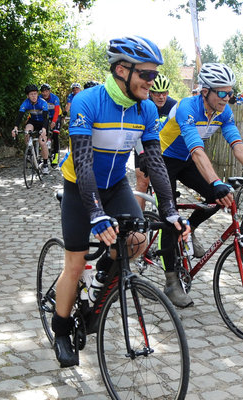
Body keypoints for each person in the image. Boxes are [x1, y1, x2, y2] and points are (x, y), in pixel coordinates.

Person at [52, 36, 187, 368]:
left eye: (154, 75)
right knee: (73, 264)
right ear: (121, 70)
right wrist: (96, 214)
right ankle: (59, 330)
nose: (151, 82)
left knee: (138, 240)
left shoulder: (146, 109)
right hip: (79, 188)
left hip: (114, 185)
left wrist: (169, 209)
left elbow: (154, 162)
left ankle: (100, 278)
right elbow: (82, 164)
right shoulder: (87, 101)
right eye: (146, 74)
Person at [158, 62, 243, 307]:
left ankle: (188, 230)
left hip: (186, 159)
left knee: (221, 199)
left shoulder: (223, 112)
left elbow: (238, 147)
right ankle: (171, 282)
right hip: (162, 159)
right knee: (169, 219)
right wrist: (215, 181)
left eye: (230, 93)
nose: (227, 98)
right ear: (205, 91)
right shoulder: (187, 108)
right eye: (222, 93)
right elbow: (197, 150)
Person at [135, 73, 177, 209]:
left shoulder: (172, 106)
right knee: (142, 181)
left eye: (164, 93)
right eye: (157, 93)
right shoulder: (142, 104)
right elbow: (136, 133)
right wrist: (141, 154)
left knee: (165, 183)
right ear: (150, 92)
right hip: (142, 144)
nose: (161, 97)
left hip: (164, 148)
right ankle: (138, 219)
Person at [11, 84, 50, 174]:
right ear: (27, 96)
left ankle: (45, 164)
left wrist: (44, 129)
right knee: (27, 131)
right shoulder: (25, 103)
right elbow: (19, 116)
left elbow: (45, 118)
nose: (34, 96)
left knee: (42, 142)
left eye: (35, 94)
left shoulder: (42, 102)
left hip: (42, 122)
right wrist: (15, 128)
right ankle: (29, 150)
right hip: (32, 121)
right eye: (31, 94)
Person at [40, 83, 62, 165]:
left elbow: (56, 111)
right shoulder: (39, 98)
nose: (45, 93)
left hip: (56, 116)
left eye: (46, 91)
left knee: (55, 133)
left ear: (49, 91)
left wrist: (54, 121)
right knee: (42, 132)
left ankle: (56, 155)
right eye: (43, 92)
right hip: (46, 116)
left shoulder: (55, 98)